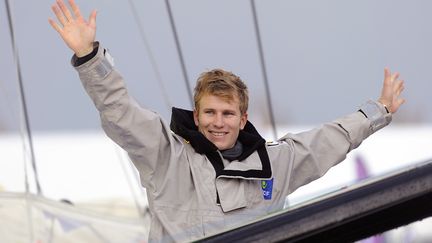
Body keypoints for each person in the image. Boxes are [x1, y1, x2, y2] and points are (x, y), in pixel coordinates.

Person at [49, 0, 405, 242]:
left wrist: (379, 111)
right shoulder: (165, 155)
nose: (218, 122)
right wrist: (89, 56)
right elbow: (120, 110)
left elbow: (330, 140)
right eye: (210, 112)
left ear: (243, 118)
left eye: (227, 113)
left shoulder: (274, 163)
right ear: (197, 114)